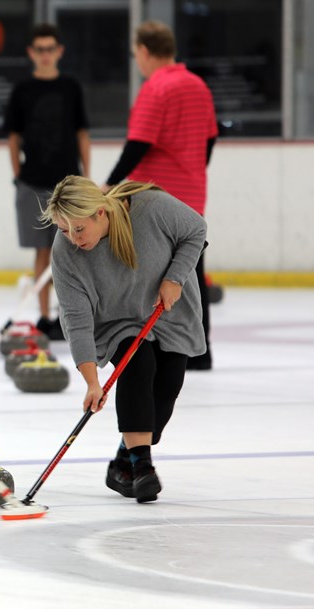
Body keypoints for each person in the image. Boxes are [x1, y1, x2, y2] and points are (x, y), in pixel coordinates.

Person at [41, 176, 206, 503]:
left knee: (167, 390)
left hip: (167, 309)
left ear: (100, 213)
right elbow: (76, 317)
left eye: (78, 229)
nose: (72, 239)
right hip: (115, 321)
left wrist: (175, 278)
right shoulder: (65, 254)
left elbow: (196, 230)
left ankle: (123, 463)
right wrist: (92, 381)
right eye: (63, 229)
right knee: (137, 363)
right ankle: (143, 468)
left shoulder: (151, 208)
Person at [103, 20, 217, 370]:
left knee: (153, 276)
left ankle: (162, 348)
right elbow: (210, 139)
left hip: (157, 197)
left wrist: (110, 184)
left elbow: (138, 144)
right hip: (192, 192)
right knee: (191, 269)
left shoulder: (156, 88)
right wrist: (193, 169)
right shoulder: (198, 85)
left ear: (144, 51)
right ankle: (201, 350)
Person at [4, 23, 90, 341]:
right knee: (42, 252)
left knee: (75, 249)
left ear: (59, 51)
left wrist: (86, 176)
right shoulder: (22, 90)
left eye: (49, 49)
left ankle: (72, 315)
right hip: (33, 183)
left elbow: (82, 133)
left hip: (68, 184)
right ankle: (44, 316)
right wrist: (17, 175)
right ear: (31, 53)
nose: (44, 55)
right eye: (39, 49)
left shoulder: (70, 87)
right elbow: (13, 137)